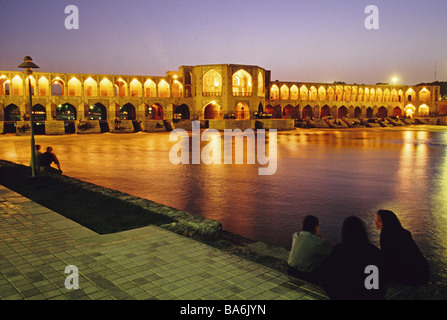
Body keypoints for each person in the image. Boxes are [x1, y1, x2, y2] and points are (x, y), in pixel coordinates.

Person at [320, 216, 386, 300]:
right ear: (363, 232)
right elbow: (382, 276)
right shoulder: (374, 251)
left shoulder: (339, 250)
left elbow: (328, 271)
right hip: (371, 296)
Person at [376, 210, 429, 286]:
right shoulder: (404, 232)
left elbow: (386, 258)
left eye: (379, 220)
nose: (376, 223)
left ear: (386, 221)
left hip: (410, 276)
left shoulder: (386, 234)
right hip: (423, 273)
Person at [287, 215, 333, 284]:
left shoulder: (296, 235)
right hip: (305, 275)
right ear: (316, 227)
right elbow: (334, 252)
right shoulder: (318, 242)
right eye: (319, 226)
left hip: (290, 270)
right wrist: (324, 239)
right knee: (327, 260)